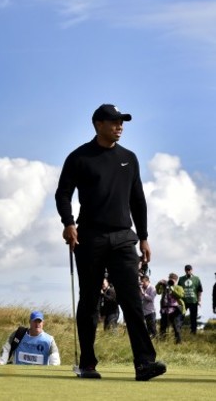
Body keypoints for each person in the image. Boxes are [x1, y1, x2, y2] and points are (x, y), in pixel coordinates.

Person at [55, 103, 166, 381]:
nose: (120, 126)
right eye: (115, 121)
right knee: (90, 301)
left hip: (122, 238)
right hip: (89, 237)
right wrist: (68, 222)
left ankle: (144, 364)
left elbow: (137, 200)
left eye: (122, 122)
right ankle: (88, 364)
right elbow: (63, 193)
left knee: (132, 301)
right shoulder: (79, 157)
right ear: (98, 124)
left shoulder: (129, 158)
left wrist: (144, 237)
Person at [156, 273, 185, 344]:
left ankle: (178, 342)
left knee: (176, 327)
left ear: (176, 281)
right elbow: (158, 292)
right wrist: (159, 283)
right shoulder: (165, 287)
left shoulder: (179, 287)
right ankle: (162, 342)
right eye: (170, 280)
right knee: (163, 327)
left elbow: (180, 296)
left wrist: (172, 289)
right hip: (165, 309)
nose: (171, 282)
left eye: (173, 281)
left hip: (175, 310)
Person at [178, 264, 203, 334]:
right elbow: (178, 290)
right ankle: (178, 331)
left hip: (193, 301)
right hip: (183, 301)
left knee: (193, 318)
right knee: (180, 316)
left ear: (192, 270)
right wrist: (178, 301)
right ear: (185, 270)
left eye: (189, 270)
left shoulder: (196, 279)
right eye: (186, 270)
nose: (188, 271)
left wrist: (199, 300)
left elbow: (199, 290)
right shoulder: (181, 279)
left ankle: (193, 332)